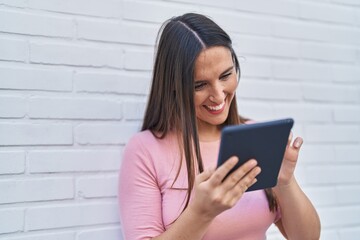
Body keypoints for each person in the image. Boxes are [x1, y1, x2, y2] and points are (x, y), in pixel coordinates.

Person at [118, 13, 320, 240]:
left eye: (225, 75)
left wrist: (285, 181)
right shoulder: (145, 150)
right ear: (174, 86)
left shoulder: (253, 135)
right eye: (200, 84)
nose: (218, 95)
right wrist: (201, 212)